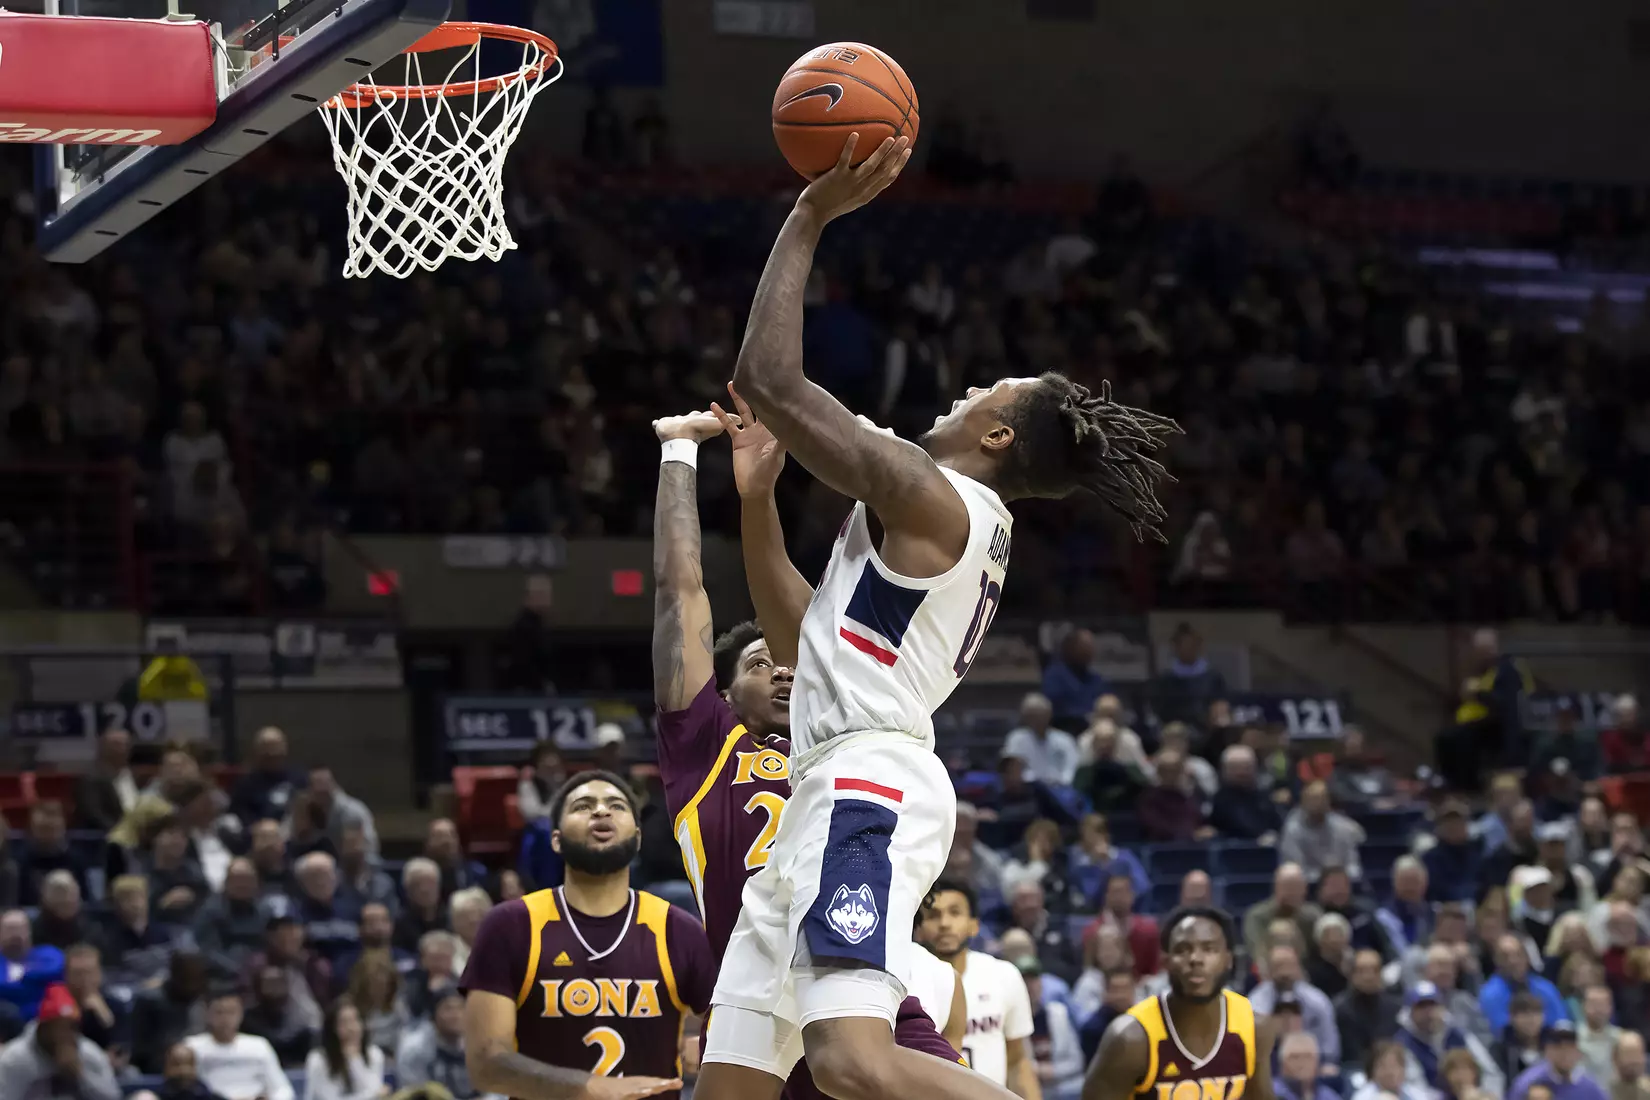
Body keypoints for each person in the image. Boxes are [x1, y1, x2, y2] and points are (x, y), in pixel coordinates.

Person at [696, 131, 1177, 1100]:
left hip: (864, 784)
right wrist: (756, 504)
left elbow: (771, 380)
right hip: (828, 782)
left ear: (997, 433)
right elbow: (802, 647)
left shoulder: (934, 495)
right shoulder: (942, 523)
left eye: (984, 390)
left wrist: (809, 213)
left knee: (850, 1063)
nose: (964, 389)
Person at [649, 404, 970, 1092]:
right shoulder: (706, 749)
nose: (785, 670)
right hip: (759, 981)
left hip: (846, 973)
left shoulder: (847, 747)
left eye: (788, 660)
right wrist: (679, 453)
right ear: (724, 697)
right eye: (760, 664)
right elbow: (680, 593)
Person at [461, 771, 713, 1096]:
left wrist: (707, 1046)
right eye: (582, 806)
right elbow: (486, 1064)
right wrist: (592, 1088)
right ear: (556, 839)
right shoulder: (510, 925)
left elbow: (728, 1030)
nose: (601, 811)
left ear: (637, 838)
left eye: (617, 806)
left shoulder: (678, 929)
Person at [1082, 907, 1276, 1100]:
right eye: (1183, 949)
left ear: (1228, 960)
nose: (1195, 959)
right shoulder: (1130, 1039)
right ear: (1165, 962)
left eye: (1209, 949)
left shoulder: (1254, 1028)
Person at [922, 880, 1039, 1097]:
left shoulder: (1004, 975)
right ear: (918, 928)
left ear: (974, 925)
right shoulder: (905, 983)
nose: (945, 923)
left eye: (955, 913)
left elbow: (1017, 1061)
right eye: (933, 915)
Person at [0, 982, 121, 1100]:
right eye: (57, 1027)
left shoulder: (89, 1054)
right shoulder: (15, 1059)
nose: (65, 1034)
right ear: (43, 1028)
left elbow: (113, 1096)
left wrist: (80, 1075)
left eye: (71, 1027)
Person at [184, 988, 294, 1100]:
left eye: (231, 1012)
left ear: (241, 1014)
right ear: (208, 1014)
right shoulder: (192, 1047)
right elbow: (184, 1088)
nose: (225, 1019)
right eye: (219, 1012)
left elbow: (282, 1088)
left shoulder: (259, 1046)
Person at [303, 999, 385, 1100]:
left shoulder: (374, 1054)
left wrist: (355, 1061)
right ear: (333, 1029)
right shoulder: (318, 1060)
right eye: (344, 1023)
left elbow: (376, 1092)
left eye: (355, 1020)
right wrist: (372, 1095)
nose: (351, 1028)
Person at [1509, 1021, 1610, 1100]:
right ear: (1547, 1051)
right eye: (1558, 1047)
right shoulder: (1527, 1083)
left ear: (1578, 1052)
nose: (1564, 1053)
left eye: (1570, 1047)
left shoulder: (1590, 1086)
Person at [1274, 1032, 1337, 1100]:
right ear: (1283, 1063)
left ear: (1316, 1062)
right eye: (1295, 1057)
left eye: (1307, 1056)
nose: (1301, 1063)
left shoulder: (1328, 1096)